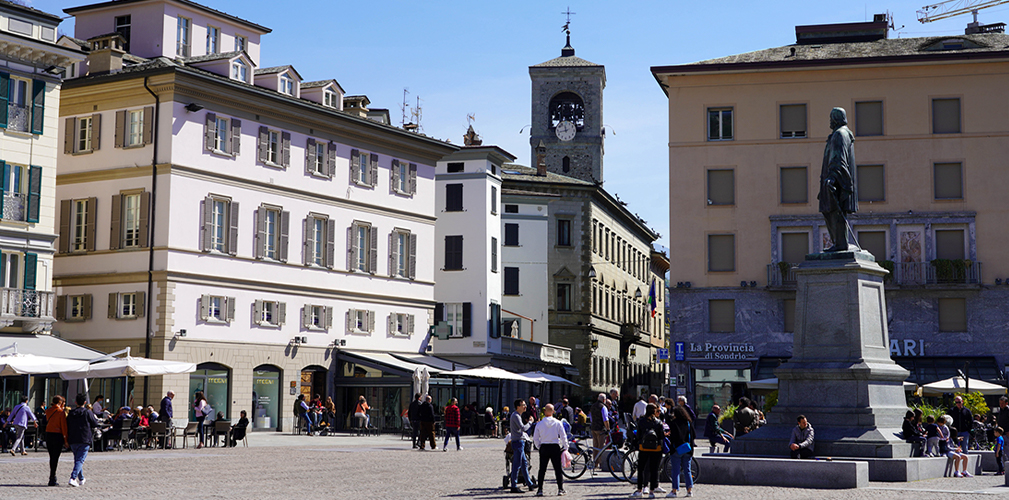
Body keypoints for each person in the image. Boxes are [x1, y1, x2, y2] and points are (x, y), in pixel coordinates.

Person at [819, 107, 859, 252]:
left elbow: (838, 159)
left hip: (837, 182)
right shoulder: (845, 134)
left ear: (836, 119)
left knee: (833, 211)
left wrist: (831, 178)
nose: (830, 121)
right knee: (833, 211)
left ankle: (840, 244)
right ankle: (839, 243)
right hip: (841, 180)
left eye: (831, 118)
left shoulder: (839, 135)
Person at [532, 404, 568, 497]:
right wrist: (565, 446)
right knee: (557, 469)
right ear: (553, 412)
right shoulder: (558, 423)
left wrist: (539, 446)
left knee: (542, 469)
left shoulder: (539, 424)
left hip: (544, 446)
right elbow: (563, 436)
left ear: (544, 412)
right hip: (555, 446)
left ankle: (540, 489)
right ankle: (560, 489)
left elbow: (535, 438)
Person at [631, 403, 666, 498]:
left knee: (641, 469)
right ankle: (651, 491)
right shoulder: (658, 422)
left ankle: (639, 490)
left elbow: (638, 435)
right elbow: (661, 436)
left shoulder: (641, 421)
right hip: (656, 449)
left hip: (644, 448)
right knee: (654, 470)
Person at [66, 393, 99, 487]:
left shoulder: (71, 413)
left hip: (73, 438)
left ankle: (81, 478)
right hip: (84, 438)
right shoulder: (87, 412)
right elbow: (95, 423)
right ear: (85, 402)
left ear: (75, 402)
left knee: (77, 459)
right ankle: (73, 478)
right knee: (80, 460)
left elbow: (67, 424)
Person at [666, 404, 695, 498]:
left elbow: (673, 437)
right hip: (687, 449)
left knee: (675, 470)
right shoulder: (688, 423)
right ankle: (689, 490)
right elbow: (693, 435)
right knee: (687, 470)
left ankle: (674, 491)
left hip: (676, 449)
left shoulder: (674, 423)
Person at [509, 399, 536, 493]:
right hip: (518, 442)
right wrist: (530, 422)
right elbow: (523, 428)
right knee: (517, 465)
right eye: (523, 405)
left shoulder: (517, 415)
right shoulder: (516, 416)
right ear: (518, 407)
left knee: (524, 464)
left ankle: (529, 484)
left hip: (519, 442)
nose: (525, 406)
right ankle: (513, 486)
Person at [44, 396, 68, 486]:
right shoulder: (61, 412)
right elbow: (63, 427)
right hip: (58, 435)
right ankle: (52, 477)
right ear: (60, 403)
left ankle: (52, 476)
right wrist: (65, 440)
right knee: (55, 457)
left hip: (49, 434)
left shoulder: (48, 411)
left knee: (52, 456)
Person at [590, 393, 610, 469]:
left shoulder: (592, 406)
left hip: (593, 428)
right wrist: (608, 428)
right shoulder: (603, 407)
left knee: (595, 446)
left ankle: (595, 462)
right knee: (601, 446)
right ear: (604, 400)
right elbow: (605, 419)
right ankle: (601, 462)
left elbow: (591, 418)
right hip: (601, 429)